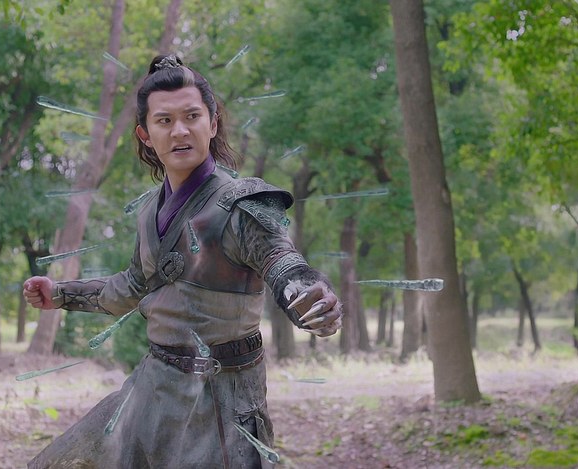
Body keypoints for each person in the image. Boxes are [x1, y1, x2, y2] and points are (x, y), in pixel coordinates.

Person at [23, 54, 343, 469]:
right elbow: (132, 286)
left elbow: (281, 261)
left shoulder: (242, 204)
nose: (180, 130)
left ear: (213, 123)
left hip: (221, 401)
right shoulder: (150, 212)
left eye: (192, 116)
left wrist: (306, 292)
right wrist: (60, 294)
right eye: (165, 120)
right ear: (145, 134)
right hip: (153, 387)